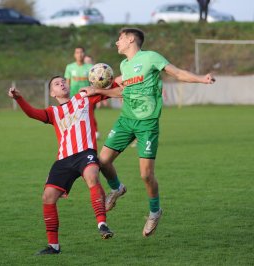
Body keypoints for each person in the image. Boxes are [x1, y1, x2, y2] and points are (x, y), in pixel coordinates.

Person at [82, 28, 215, 237]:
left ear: (131, 39)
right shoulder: (124, 65)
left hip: (147, 123)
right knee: (103, 161)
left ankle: (155, 212)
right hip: (126, 120)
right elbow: (123, 91)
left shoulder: (151, 58)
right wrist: (99, 90)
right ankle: (117, 189)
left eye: (120, 39)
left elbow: (178, 73)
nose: (117, 42)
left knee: (146, 175)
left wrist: (202, 78)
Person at [7, 76, 113, 255]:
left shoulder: (83, 97)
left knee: (92, 176)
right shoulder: (52, 112)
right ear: (52, 93)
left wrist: (121, 81)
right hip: (64, 159)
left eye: (63, 81)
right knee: (47, 197)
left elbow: (111, 90)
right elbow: (32, 113)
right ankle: (53, 246)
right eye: (56, 84)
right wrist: (19, 98)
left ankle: (102, 224)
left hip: (85, 153)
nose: (61, 84)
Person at [65, 47, 100, 138]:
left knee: (88, 116)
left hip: (87, 97)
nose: (79, 54)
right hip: (73, 97)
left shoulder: (89, 67)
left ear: (84, 54)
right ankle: (75, 134)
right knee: (73, 117)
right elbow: (67, 83)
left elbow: (94, 83)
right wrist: (66, 97)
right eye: (77, 52)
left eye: (81, 52)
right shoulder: (70, 67)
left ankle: (93, 133)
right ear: (74, 54)